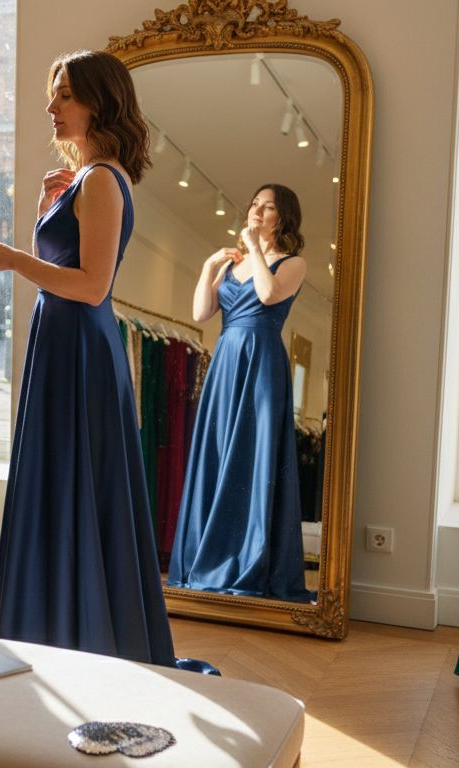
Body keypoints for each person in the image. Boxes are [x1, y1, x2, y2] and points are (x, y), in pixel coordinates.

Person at [0, 49, 175, 666]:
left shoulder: (104, 179)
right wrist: (44, 215)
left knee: (75, 482)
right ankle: (56, 623)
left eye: (64, 94)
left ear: (98, 101)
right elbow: (66, 270)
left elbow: (90, 286)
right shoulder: (86, 179)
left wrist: (14, 258)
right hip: (63, 344)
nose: (51, 106)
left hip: (81, 348)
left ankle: (76, 629)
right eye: (53, 93)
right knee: (61, 482)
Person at [167, 184, 315, 602]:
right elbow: (201, 313)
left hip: (262, 361)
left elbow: (268, 294)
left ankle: (247, 560)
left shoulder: (293, 263)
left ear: (283, 218)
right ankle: (204, 557)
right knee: (216, 453)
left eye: (268, 207)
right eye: (254, 204)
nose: (257, 211)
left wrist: (254, 248)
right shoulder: (235, 264)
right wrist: (208, 267)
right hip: (226, 362)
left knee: (252, 455)